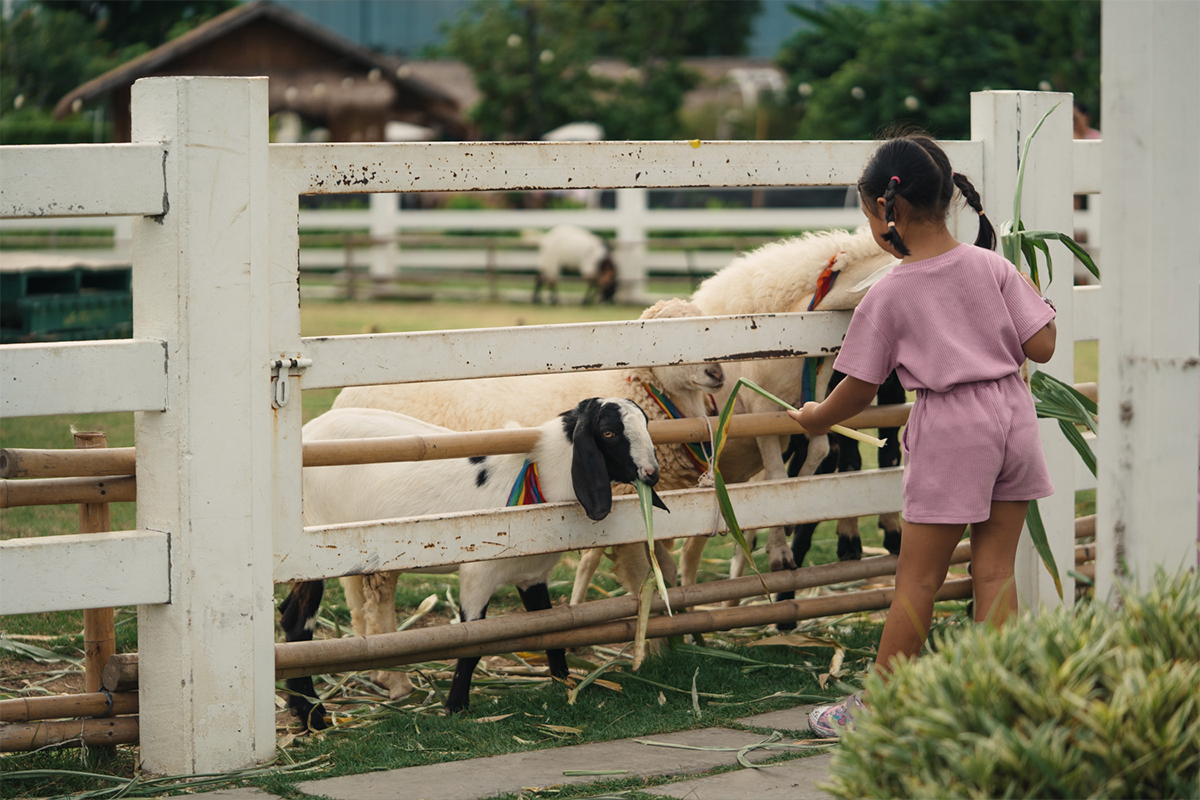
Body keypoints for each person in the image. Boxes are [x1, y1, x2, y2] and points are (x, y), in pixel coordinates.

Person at [788, 134, 1058, 738]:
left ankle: (879, 708)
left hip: (952, 426)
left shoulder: (888, 293)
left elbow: (857, 388)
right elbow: (1041, 344)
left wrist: (817, 419)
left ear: (892, 214)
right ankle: (1001, 703)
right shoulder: (994, 265)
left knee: (918, 578)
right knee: (996, 572)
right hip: (1013, 416)